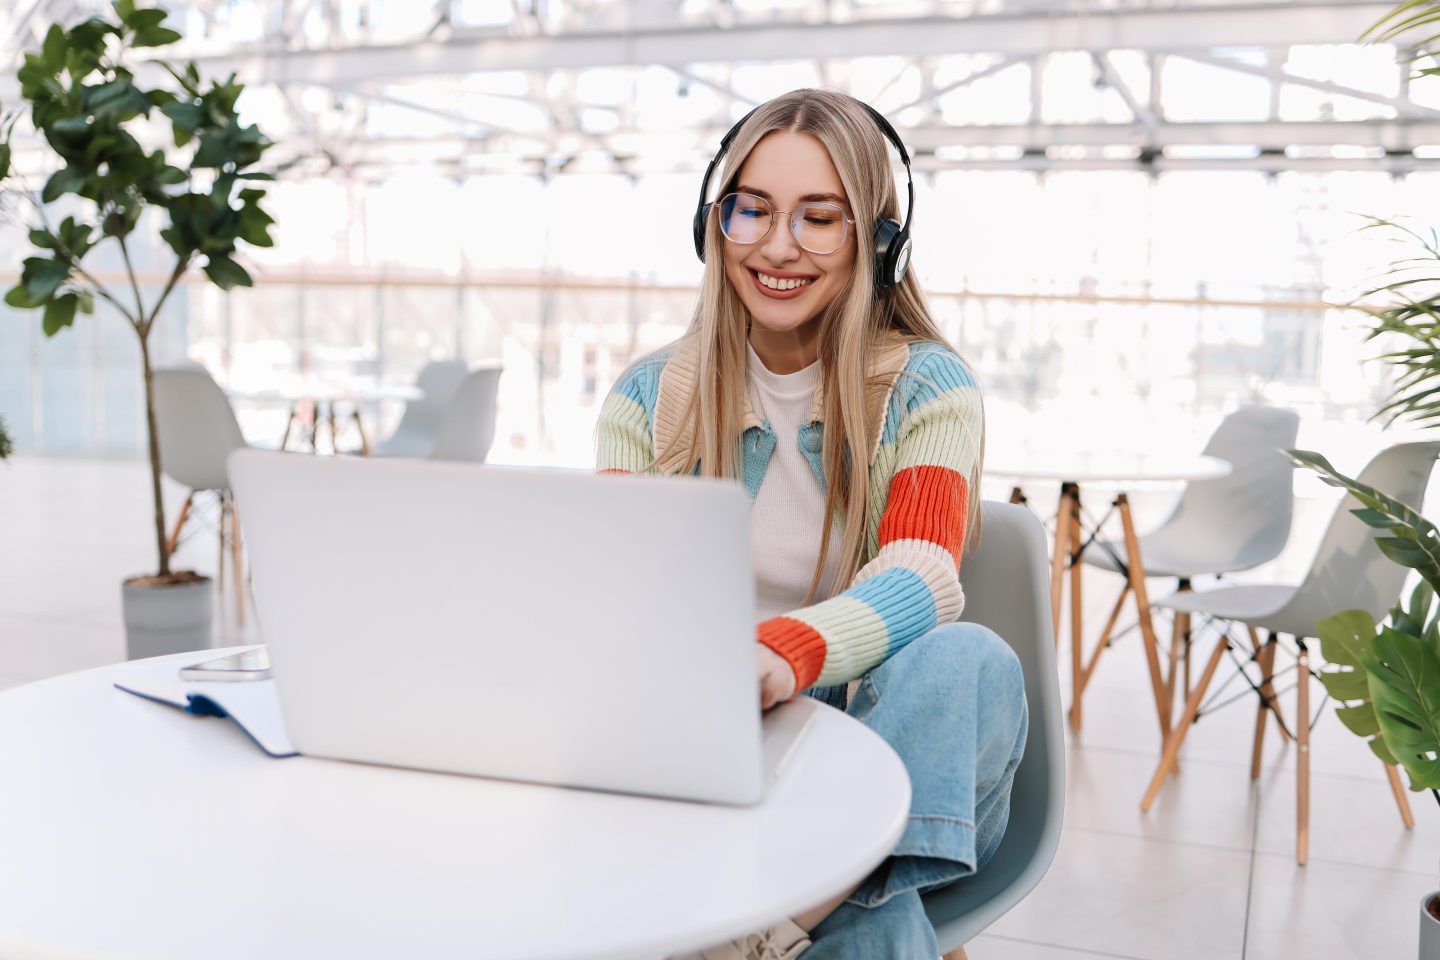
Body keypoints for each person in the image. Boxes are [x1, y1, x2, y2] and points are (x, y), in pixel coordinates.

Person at [595, 88, 1028, 960]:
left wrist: (781, 652)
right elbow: (619, 593)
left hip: (873, 732)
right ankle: (813, 920)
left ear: (878, 242)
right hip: (712, 733)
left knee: (969, 658)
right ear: (714, 225)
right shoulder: (645, 398)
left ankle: (764, 929)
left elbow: (922, 572)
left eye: (818, 218)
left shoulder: (930, 388)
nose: (776, 246)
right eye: (751, 209)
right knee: (879, 921)